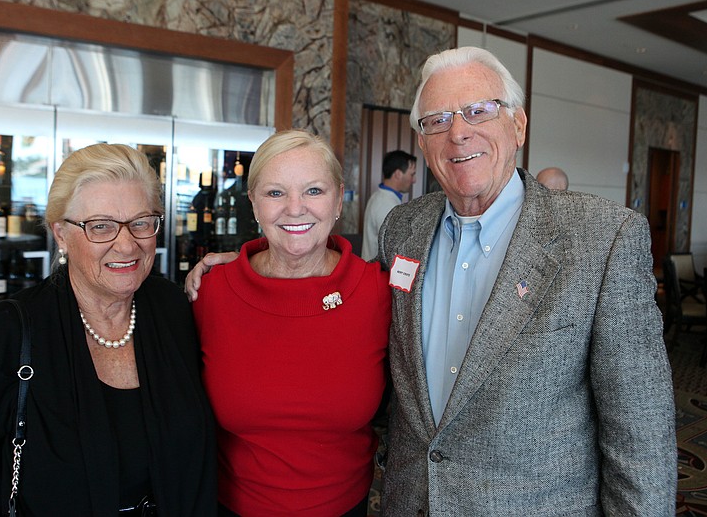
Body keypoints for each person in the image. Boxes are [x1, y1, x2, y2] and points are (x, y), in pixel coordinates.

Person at [187, 47, 677, 516]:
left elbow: (642, 435)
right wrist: (251, 263)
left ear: (519, 124)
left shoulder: (601, 238)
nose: (458, 134)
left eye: (479, 111)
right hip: (409, 502)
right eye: (437, 121)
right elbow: (323, 292)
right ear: (422, 143)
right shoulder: (406, 229)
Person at [0, 144, 217, 516]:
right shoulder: (4, 335)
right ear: (61, 234)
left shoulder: (171, 309)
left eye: (141, 222)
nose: (126, 245)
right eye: (100, 226)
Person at [191, 129, 390, 516]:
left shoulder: (378, 292)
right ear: (253, 204)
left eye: (314, 191)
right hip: (229, 507)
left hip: (347, 507)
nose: (295, 208)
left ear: (338, 199)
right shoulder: (211, 293)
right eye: (275, 193)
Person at [361, 149, 417, 260]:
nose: (414, 180)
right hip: (378, 273)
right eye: (412, 174)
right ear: (398, 174)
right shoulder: (386, 204)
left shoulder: (380, 197)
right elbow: (393, 249)